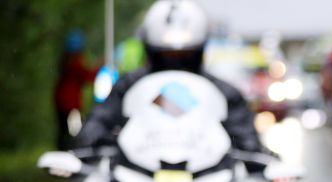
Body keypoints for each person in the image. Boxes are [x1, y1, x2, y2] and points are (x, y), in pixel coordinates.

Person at [74, 0, 263, 154]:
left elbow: (246, 137)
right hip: (137, 179)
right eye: (167, 55)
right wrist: (91, 136)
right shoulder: (129, 85)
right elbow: (100, 119)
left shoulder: (223, 92)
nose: (176, 62)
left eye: (185, 55)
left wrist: (252, 149)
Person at [54, 29, 98, 150]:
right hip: (70, 104)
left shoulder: (65, 61)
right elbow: (88, 76)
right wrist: (101, 66)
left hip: (61, 102)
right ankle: (70, 154)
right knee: (75, 132)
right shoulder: (75, 62)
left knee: (63, 131)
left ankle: (62, 153)